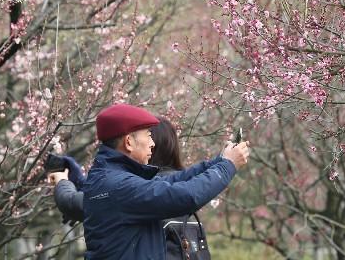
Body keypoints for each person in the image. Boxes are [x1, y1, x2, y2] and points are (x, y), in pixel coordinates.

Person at [49, 103, 249, 260]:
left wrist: (219, 161)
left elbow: (172, 182)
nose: (152, 143)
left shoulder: (111, 178)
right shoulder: (120, 186)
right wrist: (228, 166)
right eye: (147, 135)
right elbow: (185, 196)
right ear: (128, 142)